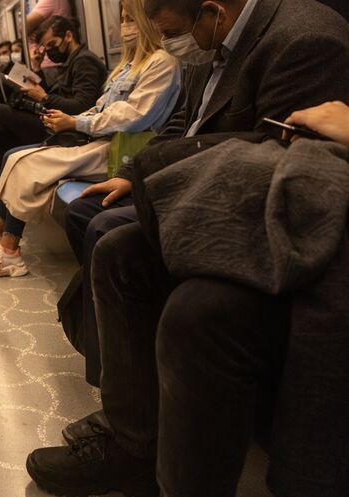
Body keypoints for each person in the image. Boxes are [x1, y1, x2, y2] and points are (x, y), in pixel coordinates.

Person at [30, 0, 349, 494]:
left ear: (212, 12)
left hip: (276, 228)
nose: (172, 41)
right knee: (118, 252)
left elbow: (285, 172)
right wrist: (136, 176)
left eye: (174, 30)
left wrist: (151, 177)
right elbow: (187, 126)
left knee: (196, 311)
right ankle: (133, 439)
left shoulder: (306, 41)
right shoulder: (216, 46)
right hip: (221, 199)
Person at [0, 0, 181, 279]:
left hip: (119, 148)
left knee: (23, 162)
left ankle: (9, 252)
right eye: (123, 19)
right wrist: (71, 119)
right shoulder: (127, 66)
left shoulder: (162, 63)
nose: (125, 27)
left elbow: (134, 115)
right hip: (99, 139)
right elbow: (101, 105)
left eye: (131, 19)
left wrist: (76, 121)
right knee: (14, 155)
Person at [0, 16, 106, 219]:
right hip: (52, 122)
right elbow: (62, 96)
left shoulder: (84, 61)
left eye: (51, 45)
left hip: (67, 131)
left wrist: (45, 97)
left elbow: (80, 107)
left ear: (68, 36)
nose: (49, 51)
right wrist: (38, 72)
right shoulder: (71, 62)